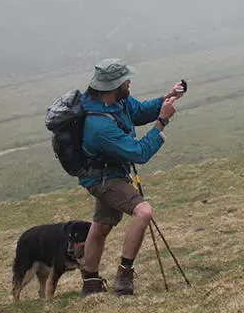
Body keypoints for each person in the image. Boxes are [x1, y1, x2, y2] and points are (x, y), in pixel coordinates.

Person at [77, 58, 184, 296]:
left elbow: (140, 111)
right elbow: (138, 153)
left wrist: (168, 98)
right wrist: (162, 121)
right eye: (125, 79)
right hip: (105, 179)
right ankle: (125, 274)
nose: (129, 82)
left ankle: (91, 283)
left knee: (102, 225)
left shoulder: (117, 101)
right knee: (143, 211)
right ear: (114, 85)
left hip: (109, 173)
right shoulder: (98, 125)